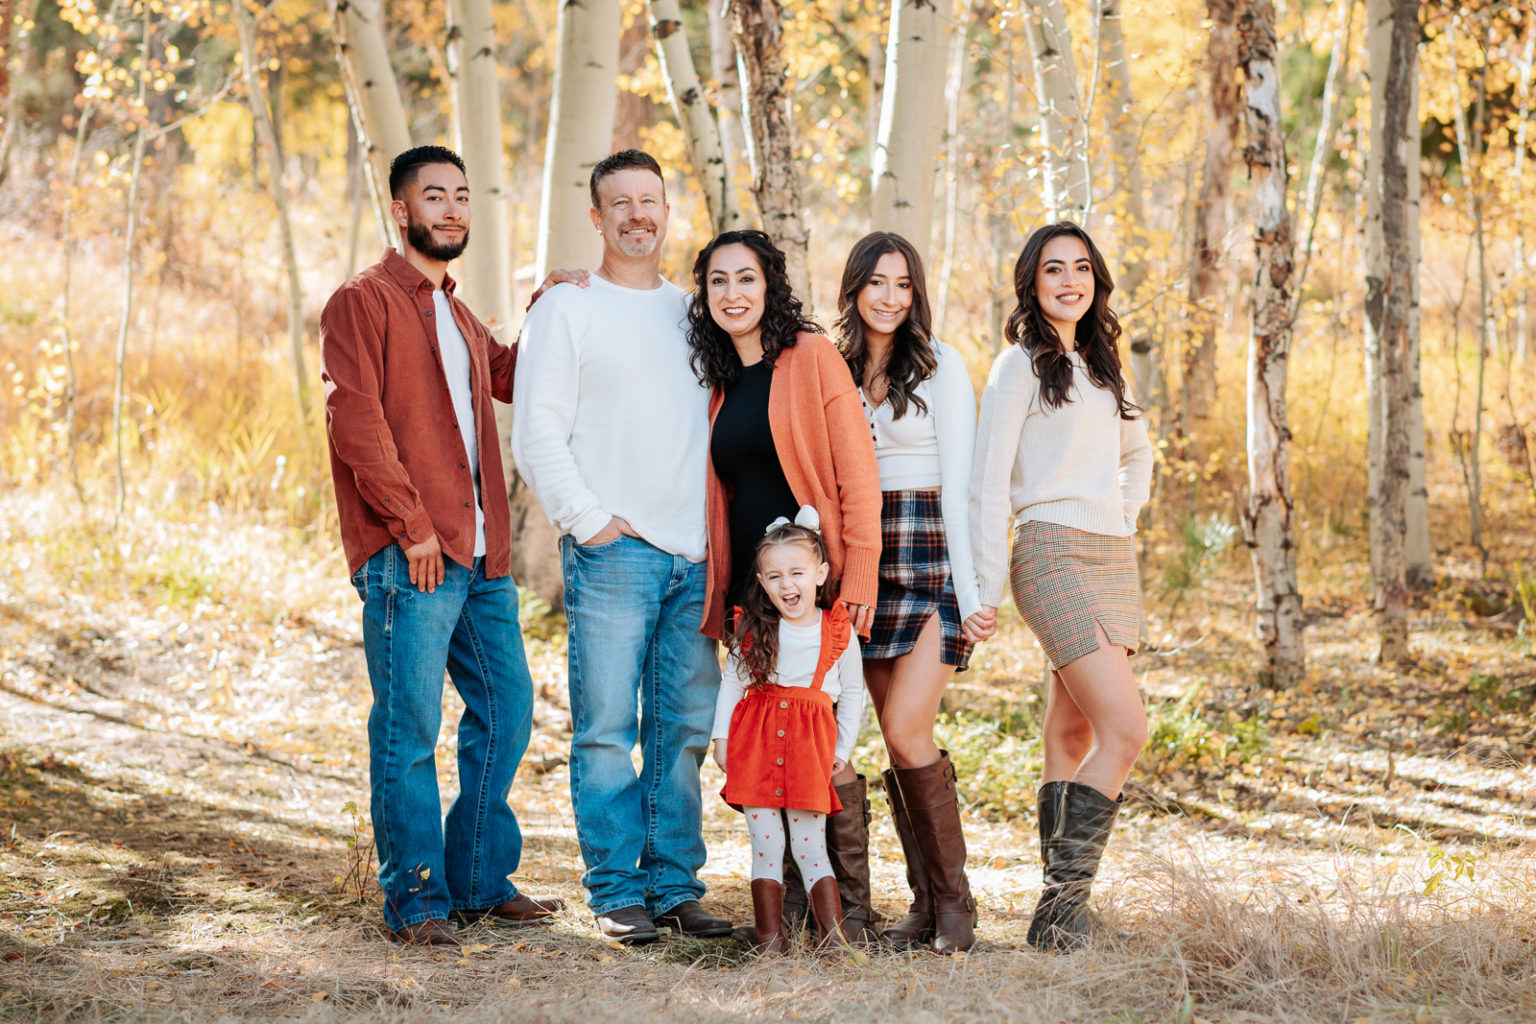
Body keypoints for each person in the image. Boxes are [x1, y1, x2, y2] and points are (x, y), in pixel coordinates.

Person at [319, 145, 562, 946]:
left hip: (481, 557)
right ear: (401, 209)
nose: (452, 209)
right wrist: (410, 525)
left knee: (507, 710)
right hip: (412, 555)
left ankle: (479, 881)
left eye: (462, 195)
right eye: (435, 196)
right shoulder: (363, 301)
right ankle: (417, 900)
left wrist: (549, 314)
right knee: (409, 727)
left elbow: (514, 376)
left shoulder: (458, 312)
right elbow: (354, 419)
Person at [511, 150, 731, 945]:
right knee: (607, 729)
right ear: (597, 218)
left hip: (696, 554)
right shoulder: (567, 308)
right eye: (621, 203)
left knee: (682, 732)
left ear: (667, 212)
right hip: (615, 553)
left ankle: (674, 886)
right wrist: (589, 521)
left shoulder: (694, 311)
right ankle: (614, 889)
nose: (639, 214)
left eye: (652, 201)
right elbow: (536, 431)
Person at [685, 228, 886, 941]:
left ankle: (849, 914)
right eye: (717, 282)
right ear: (704, 297)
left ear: (769, 286)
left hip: (813, 577)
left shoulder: (810, 356)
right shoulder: (716, 377)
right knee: (766, 728)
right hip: (752, 588)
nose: (732, 294)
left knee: (823, 728)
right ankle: (789, 913)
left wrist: (858, 572)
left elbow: (857, 471)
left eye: (745, 279)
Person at [969, 221, 1153, 952]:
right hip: (1048, 553)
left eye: (1082, 268)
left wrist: (1122, 512)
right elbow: (987, 481)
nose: (1070, 280)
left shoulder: (1105, 367)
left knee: (1074, 728)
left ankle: (1060, 909)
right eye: (1055, 270)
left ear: (1096, 281)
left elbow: (1138, 451)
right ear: (1033, 282)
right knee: (1126, 729)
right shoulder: (1017, 366)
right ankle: (1062, 905)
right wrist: (982, 586)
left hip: (1112, 555)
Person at [834, 231, 988, 955]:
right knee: (893, 740)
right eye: (877, 283)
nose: (890, 297)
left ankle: (956, 906)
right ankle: (926, 907)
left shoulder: (942, 364)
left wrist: (975, 584)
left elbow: (964, 482)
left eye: (903, 284)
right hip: (866, 556)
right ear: (856, 288)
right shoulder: (833, 366)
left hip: (933, 552)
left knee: (906, 729)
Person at [711, 509, 867, 953]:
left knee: (809, 844)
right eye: (775, 576)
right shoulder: (754, 627)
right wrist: (721, 738)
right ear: (762, 582)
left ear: (819, 574)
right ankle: (769, 939)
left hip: (808, 749)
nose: (787, 585)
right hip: (755, 745)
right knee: (767, 844)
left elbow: (853, 693)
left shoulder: (836, 630)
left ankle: (832, 940)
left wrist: (843, 745)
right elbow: (732, 683)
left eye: (797, 573)